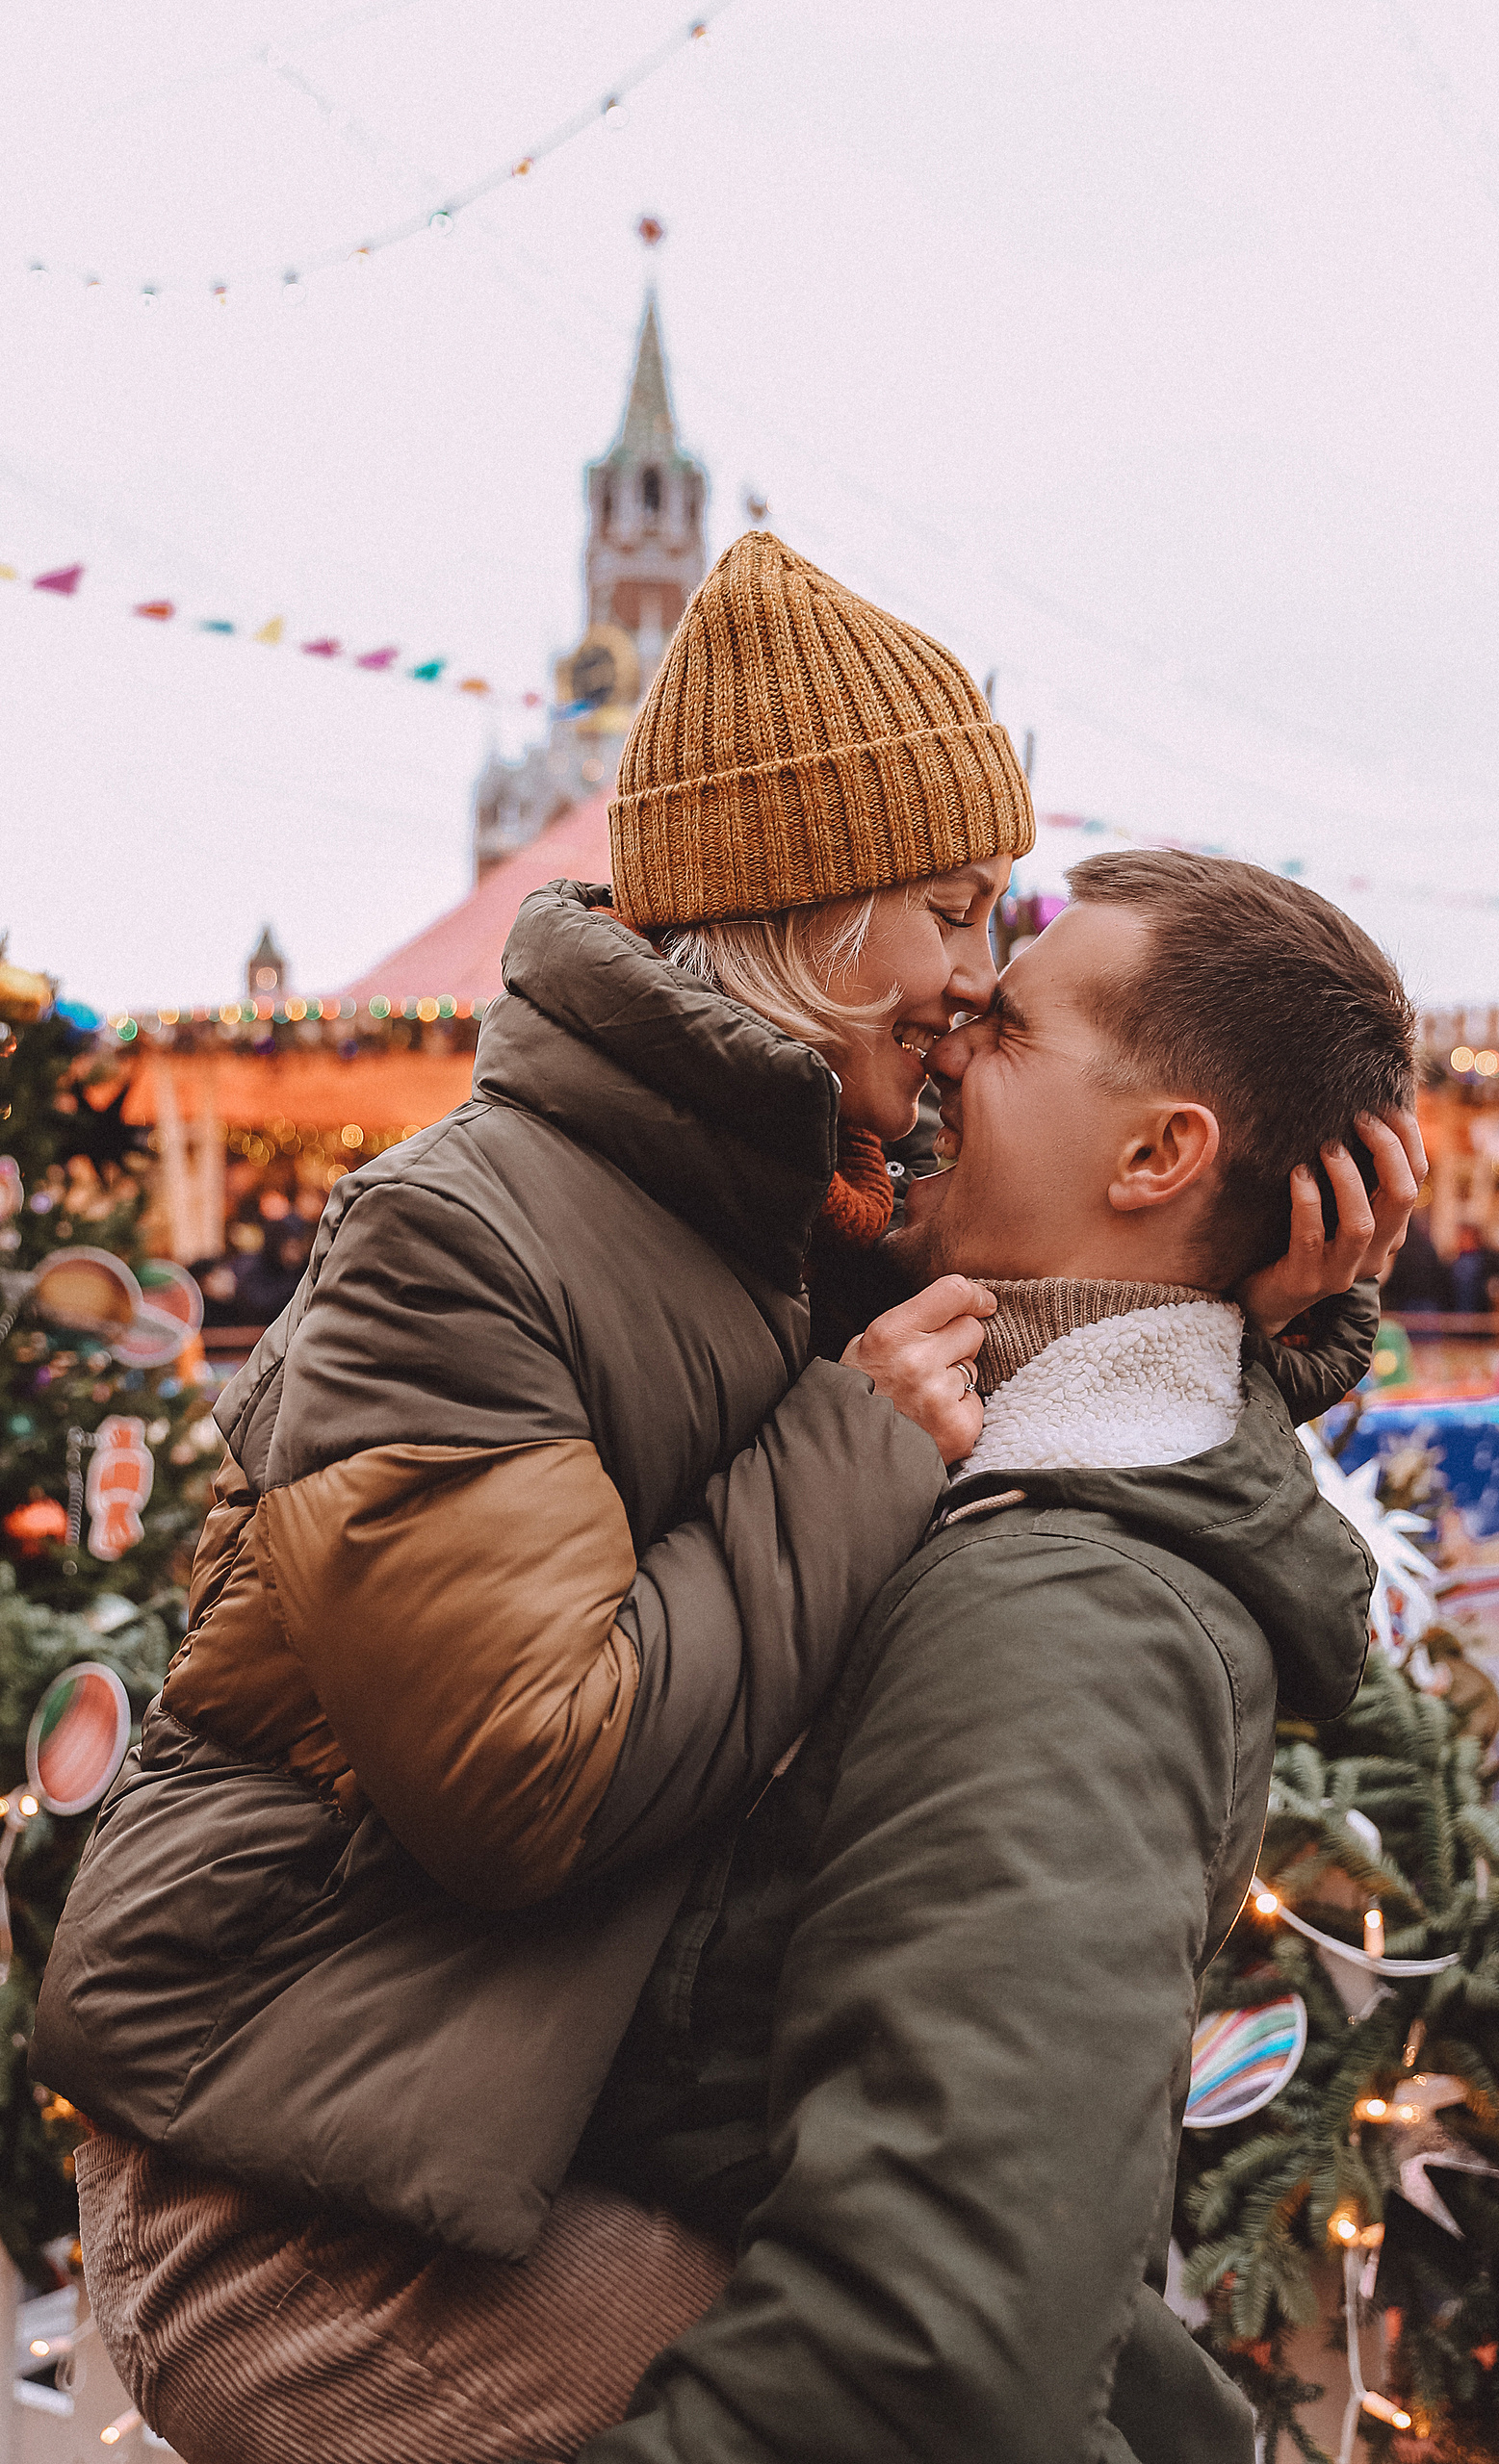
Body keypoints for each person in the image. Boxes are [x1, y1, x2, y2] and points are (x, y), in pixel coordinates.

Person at [64, 852, 1423, 2463]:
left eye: (1018, 1018)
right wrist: (1245, 1311)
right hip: (388, 2160)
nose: (961, 1013)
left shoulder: (1071, 1614)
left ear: (1155, 1151)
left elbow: (933, 2337)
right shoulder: (976, 1409)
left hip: (393, 2208)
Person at [38, 530, 1039, 2266]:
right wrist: (855, 1442)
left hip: (519, 2105)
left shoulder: (806, 1215)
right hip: (289, 2137)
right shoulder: (455, 1231)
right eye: (952, 913)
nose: (983, 979)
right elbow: (522, 1774)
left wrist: (1279, 1281)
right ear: (808, 908)